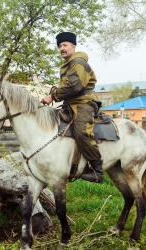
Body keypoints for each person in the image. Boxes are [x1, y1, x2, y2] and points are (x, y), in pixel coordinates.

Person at [42, 31, 103, 183]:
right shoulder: (68, 65)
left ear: (73, 46)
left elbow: (75, 87)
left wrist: (53, 96)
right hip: (71, 103)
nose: (62, 48)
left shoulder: (78, 63)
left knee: (82, 132)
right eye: (60, 46)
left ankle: (97, 171)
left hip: (84, 103)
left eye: (65, 45)